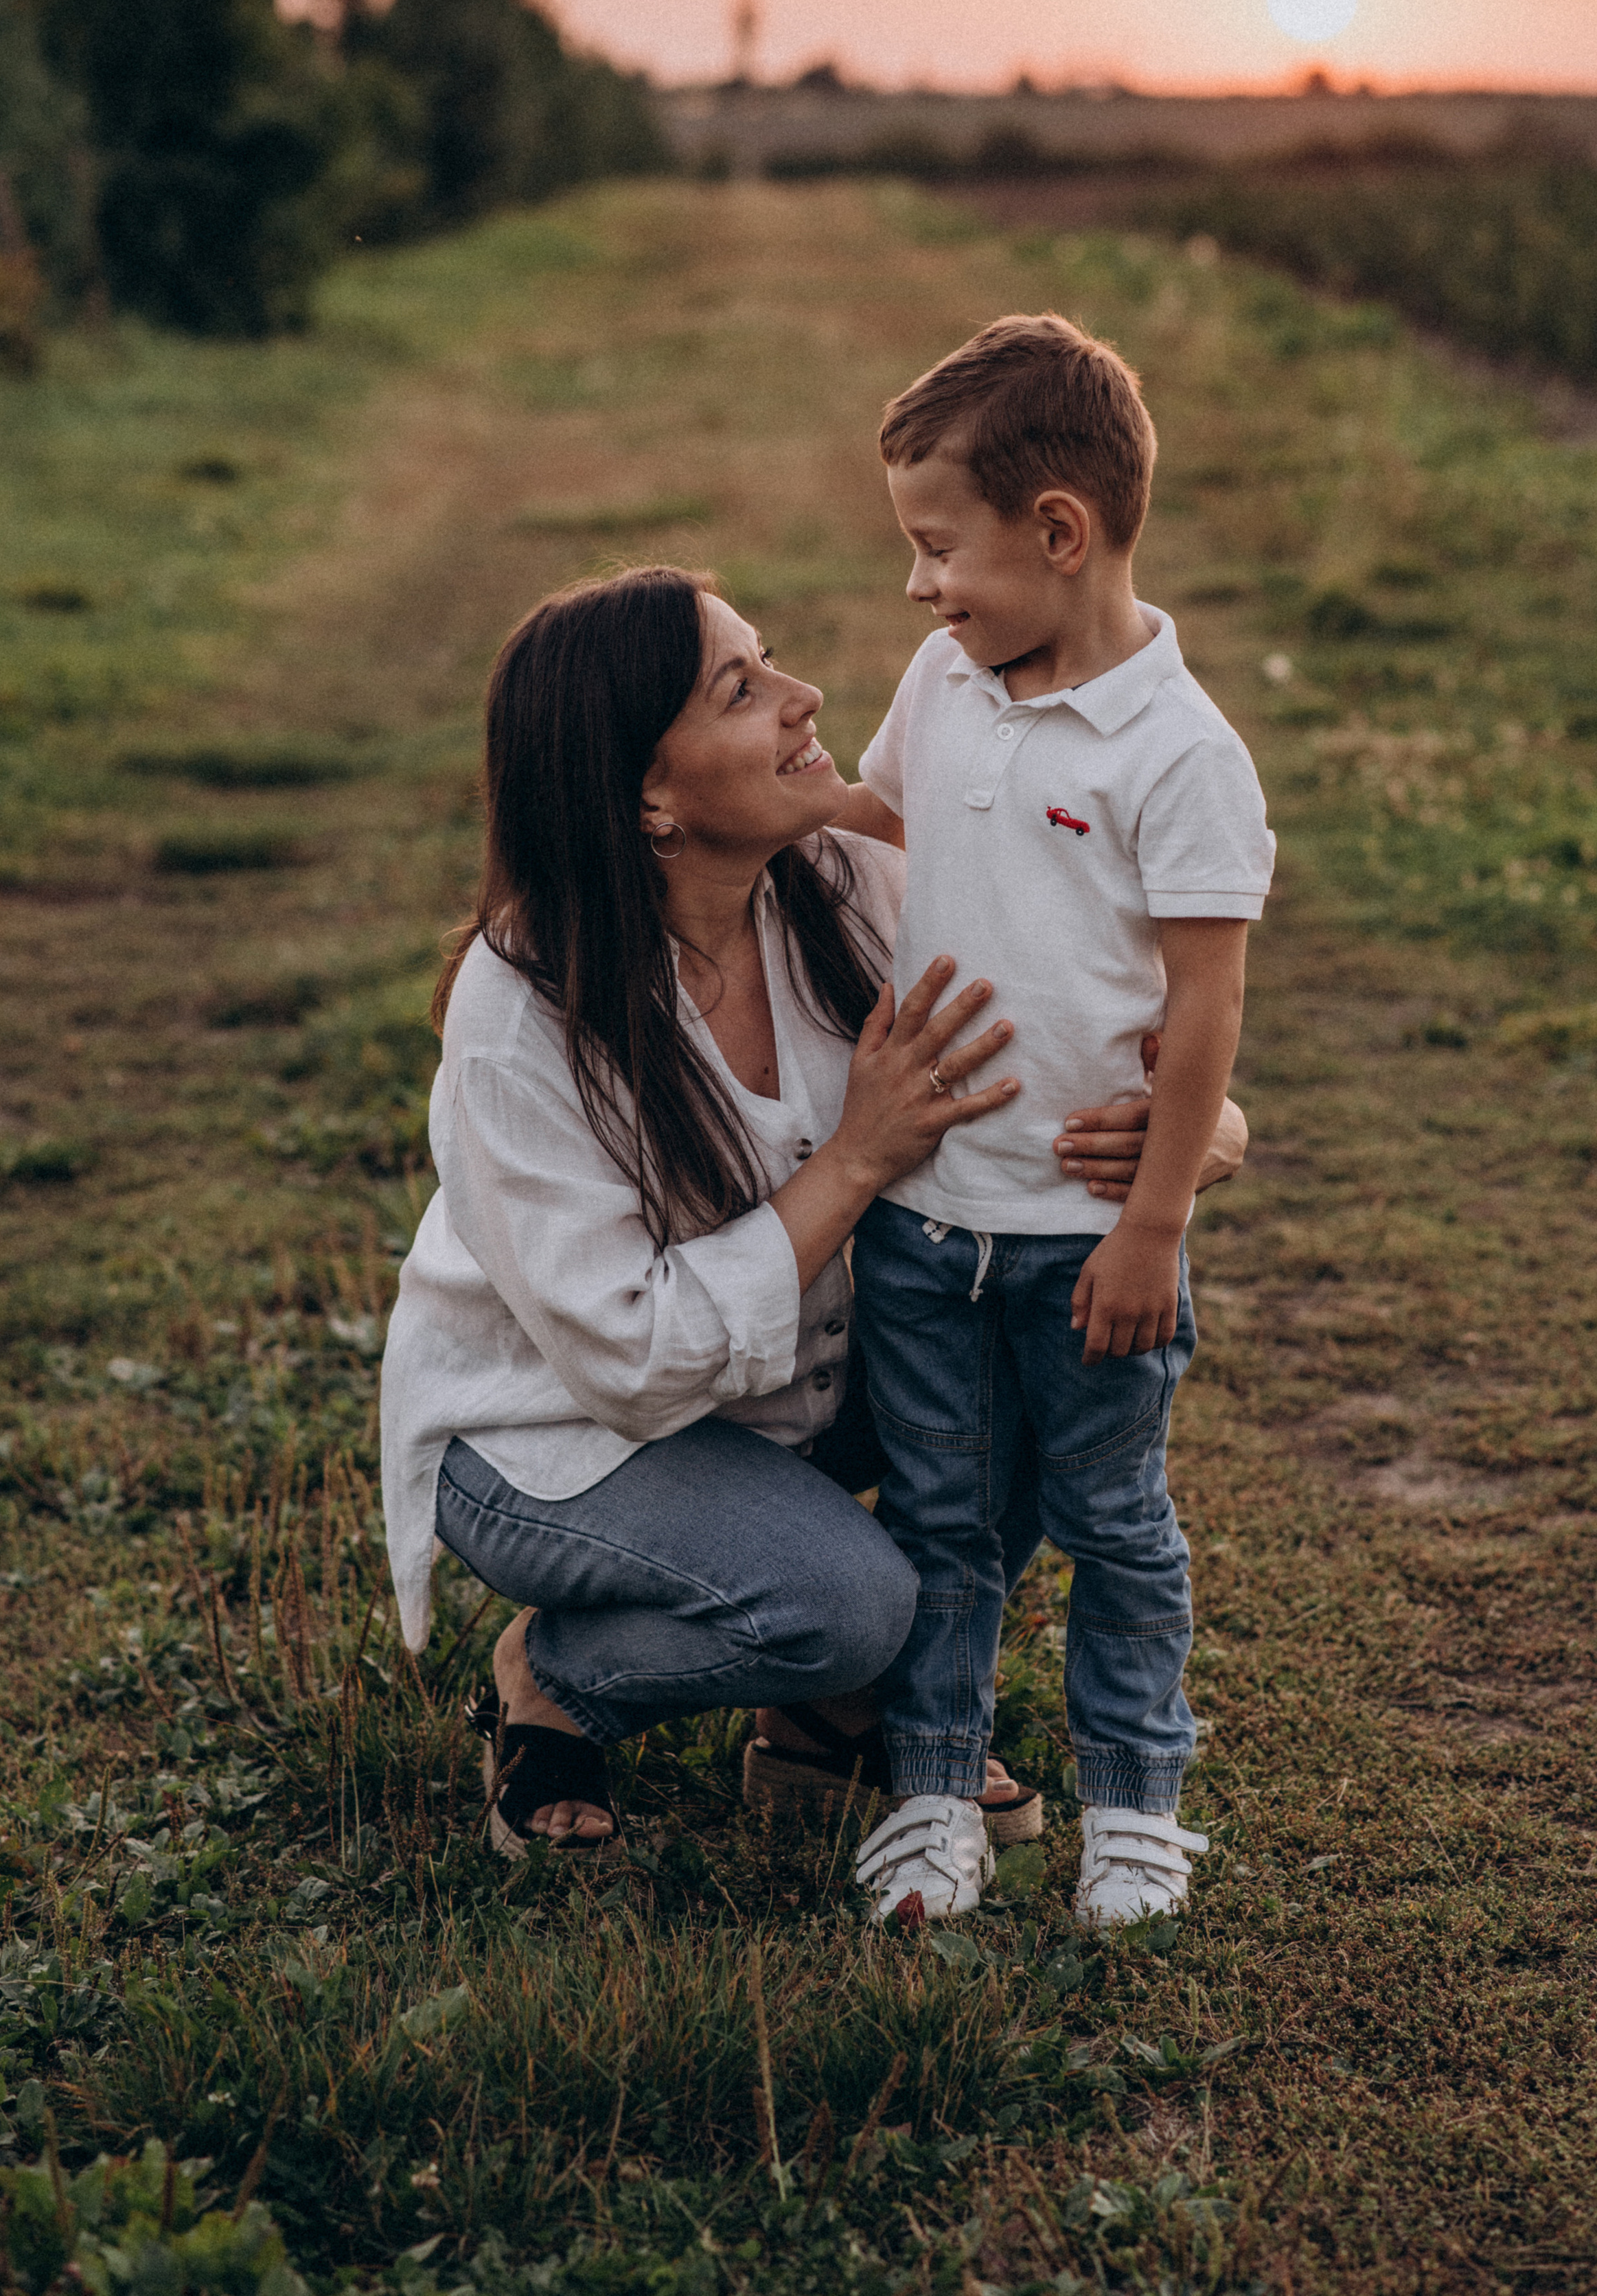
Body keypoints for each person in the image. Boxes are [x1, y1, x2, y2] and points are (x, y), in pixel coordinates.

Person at [379, 564, 1229, 1855]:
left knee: (1060, 1357)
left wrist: (1194, 1139)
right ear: (649, 793)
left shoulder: (846, 881)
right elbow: (629, 1364)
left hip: (793, 1397)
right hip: (565, 1443)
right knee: (849, 1600)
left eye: (767, 658)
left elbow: (1072, 1046)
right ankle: (563, 1680)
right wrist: (856, 1154)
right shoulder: (523, 1014)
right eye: (741, 688)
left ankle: (823, 1727)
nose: (804, 697)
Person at [831, 314, 1276, 1927]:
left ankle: (1135, 1806)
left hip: (1086, 1239)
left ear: (1059, 533)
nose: (916, 588)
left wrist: (1155, 1218)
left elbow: (1206, 1009)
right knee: (943, 1524)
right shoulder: (945, 681)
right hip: (925, 1229)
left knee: (1110, 1528)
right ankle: (934, 1793)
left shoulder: (1179, 753)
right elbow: (875, 809)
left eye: (935, 548)